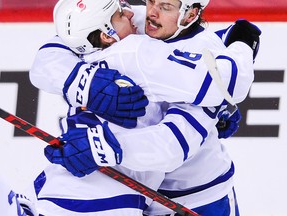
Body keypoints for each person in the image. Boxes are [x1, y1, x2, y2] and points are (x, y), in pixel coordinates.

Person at [27, 0, 261, 215]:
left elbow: (176, 140)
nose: (148, 12)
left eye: (166, 6)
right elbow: (54, 50)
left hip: (200, 194)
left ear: (190, 14)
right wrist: (84, 81)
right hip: (138, 195)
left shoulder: (143, 48)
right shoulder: (136, 28)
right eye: (150, 0)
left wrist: (240, 43)